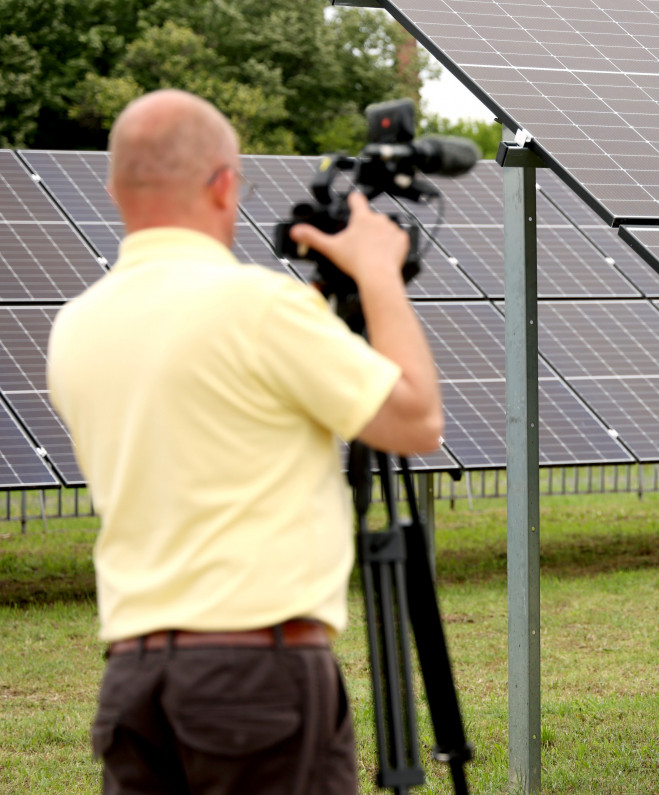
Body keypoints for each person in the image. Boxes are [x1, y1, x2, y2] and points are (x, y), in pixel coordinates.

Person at [47, 88, 443, 793]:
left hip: (134, 679)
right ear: (224, 183)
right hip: (255, 674)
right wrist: (379, 274)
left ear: (115, 188)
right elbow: (414, 420)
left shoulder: (75, 326)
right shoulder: (259, 307)